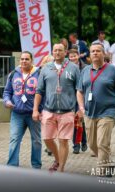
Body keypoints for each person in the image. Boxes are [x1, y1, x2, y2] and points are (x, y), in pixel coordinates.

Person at [77, 43, 115, 177]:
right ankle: (109, 164)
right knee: (93, 145)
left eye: (98, 51)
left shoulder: (113, 70)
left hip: (107, 112)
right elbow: (79, 91)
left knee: (102, 144)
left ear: (103, 53)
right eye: (92, 51)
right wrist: (81, 107)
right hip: (89, 113)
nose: (95, 53)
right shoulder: (85, 71)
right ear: (90, 54)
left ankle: (101, 173)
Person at [33, 43, 80, 172]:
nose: (57, 52)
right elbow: (39, 90)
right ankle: (58, 160)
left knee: (63, 141)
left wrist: (80, 109)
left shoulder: (74, 68)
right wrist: (35, 109)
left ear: (65, 52)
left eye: (60, 50)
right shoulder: (46, 68)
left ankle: (61, 169)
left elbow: (79, 90)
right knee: (47, 139)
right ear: (52, 52)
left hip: (67, 111)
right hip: (49, 110)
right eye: (55, 50)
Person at [3, 51, 42, 169]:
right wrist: (7, 101)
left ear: (32, 61)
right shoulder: (13, 74)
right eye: (22, 59)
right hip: (17, 113)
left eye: (27, 59)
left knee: (36, 141)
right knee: (14, 139)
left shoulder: (39, 74)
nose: (24, 61)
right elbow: (7, 92)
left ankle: (36, 165)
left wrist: (41, 109)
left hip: (33, 113)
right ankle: (12, 165)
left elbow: (43, 93)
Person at [68, 49, 88, 154]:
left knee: (80, 121)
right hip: (71, 98)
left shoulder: (85, 68)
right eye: (70, 56)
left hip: (82, 96)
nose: (72, 58)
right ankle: (76, 145)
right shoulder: (66, 68)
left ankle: (83, 142)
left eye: (74, 56)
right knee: (75, 122)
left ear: (78, 56)